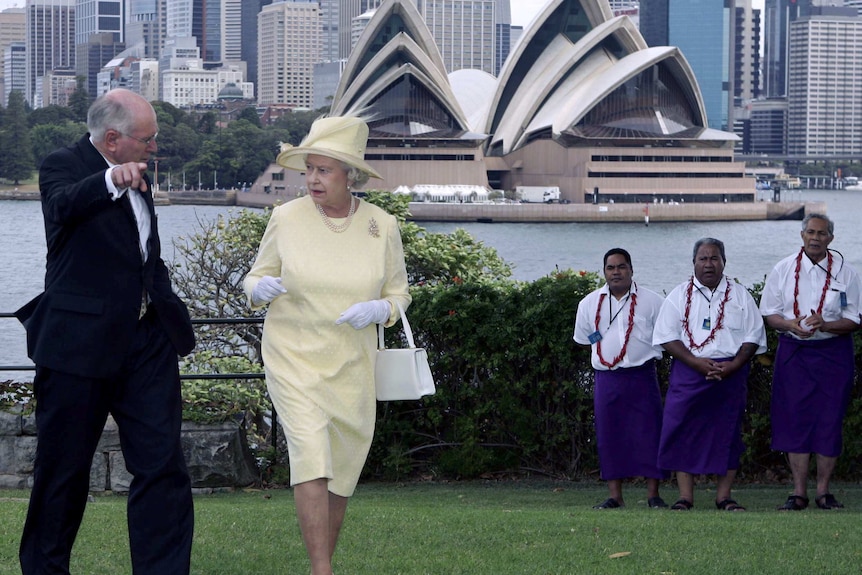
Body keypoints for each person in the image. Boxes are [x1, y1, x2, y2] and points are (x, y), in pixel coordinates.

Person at [14, 89, 196, 574]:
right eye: (147, 139)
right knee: (62, 474)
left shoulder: (138, 171)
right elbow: (62, 207)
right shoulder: (63, 165)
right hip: (78, 347)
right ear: (112, 140)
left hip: (147, 343)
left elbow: (141, 254)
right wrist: (111, 179)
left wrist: (163, 304)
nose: (153, 147)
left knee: (163, 468)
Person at [243, 116, 411, 575]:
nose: (312, 179)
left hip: (352, 362)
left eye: (324, 170)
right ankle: (322, 571)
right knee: (312, 456)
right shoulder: (286, 217)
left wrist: (379, 311)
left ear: (349, 175)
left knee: (340, 470)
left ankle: (323, 563)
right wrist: (258, 289)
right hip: (293, 356)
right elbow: (255, 276)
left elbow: (399, 293)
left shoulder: (382, 225)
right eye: (309, 169)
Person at [653, 238, 766, 511]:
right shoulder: (678, 296)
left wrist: (735, 364)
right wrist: (695, 362)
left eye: (714, 258)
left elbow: (753, 336)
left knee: (727, 434)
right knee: (681, 430)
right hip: (690, 372)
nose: (708, 264)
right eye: (702, 259)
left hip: (731, 373)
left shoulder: (740, 295)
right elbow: (667, 337)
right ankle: (685, 497)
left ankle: (724, 497)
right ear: (693, 263)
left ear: (724, 262)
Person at [759, 214, 861, 511]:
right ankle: (798, 492)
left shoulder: (847, 273)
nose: (815, 238)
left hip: (833, 353)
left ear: (831, 238)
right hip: (794, 352)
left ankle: (824, 492)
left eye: (822, 233)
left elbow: (854, 318)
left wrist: (826, 325)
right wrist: (791, 325)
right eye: (810, 232)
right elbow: (770, 313)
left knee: (830, 420)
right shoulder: (783, 269)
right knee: (794, 420)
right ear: (802, 235)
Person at [573, 248, 668, 509]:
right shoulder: (589, 303)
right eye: (611, 268)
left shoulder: (652, 301)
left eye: (621, 266)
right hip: (607, 379)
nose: (616, 272)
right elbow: (584, 339)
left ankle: (653, 495)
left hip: (641, 375)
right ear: (604, 272)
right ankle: (615, 496)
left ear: (631, 269)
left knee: (649, 433)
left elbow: (666, 336)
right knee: (608, 435)